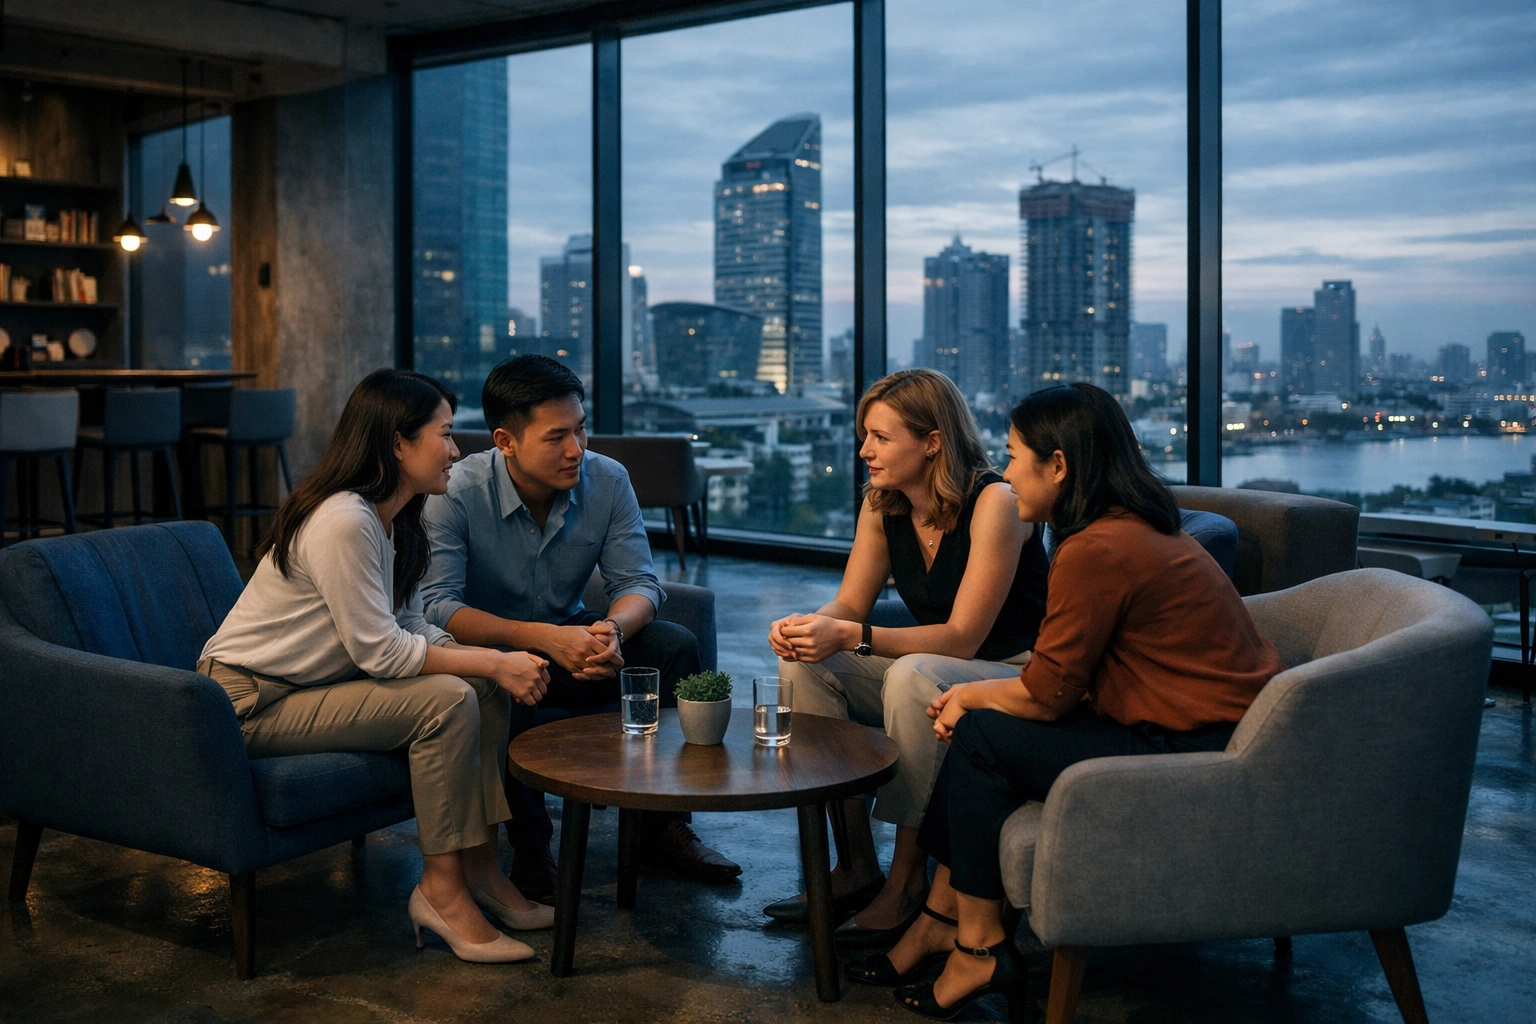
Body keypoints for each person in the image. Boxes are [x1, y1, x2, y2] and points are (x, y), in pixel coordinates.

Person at [855, 382, 1286, 1021]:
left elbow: (1049, 693)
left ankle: (975, 943)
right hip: (1185, 725)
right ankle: (938, 919)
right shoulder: (1120, 528)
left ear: (1057, 466)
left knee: (980, 739)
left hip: (1196, 746)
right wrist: (977, 699)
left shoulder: (1097, 548)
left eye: (1013, 456)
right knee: (979, 728)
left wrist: (970, 695)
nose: (1003, 473)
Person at [199, 369, 556, 964]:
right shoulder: (345, 520)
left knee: (480, 688)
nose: (455, 450)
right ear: (398, 442)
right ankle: (441, 893)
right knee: (448, 698)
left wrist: (488, 669)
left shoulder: (395, 518)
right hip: (243, 703)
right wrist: (495, 659)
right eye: (444, 434)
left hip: (311, 689)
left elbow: (410, 626)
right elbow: (380, 652)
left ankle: (482, 872)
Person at [420, 354, 740, 899]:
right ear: (506, 440)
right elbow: (437, 608)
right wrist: (539, 638)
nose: (577, 449)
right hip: (490, 655)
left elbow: (641, 582)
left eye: (581, 429)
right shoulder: (455, 493)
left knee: (674, 650)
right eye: (557, 437)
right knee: (517, 685)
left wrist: (613, 629)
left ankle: (662, 828)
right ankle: (531, 847)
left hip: (577, 632)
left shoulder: (608, 479)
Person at [763, 368, 1049, 945]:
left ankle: (906, 880)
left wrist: (849, 635)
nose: (864, 450)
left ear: (932, 441)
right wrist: (808, 627)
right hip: (937, 665)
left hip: (1013, 670)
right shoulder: (884, 503)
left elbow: (964, 637)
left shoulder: (996, 501)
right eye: (864, 435)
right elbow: (849, 603)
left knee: (915, 674)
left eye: (880, 437)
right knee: (804, 661)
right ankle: (855, 866)